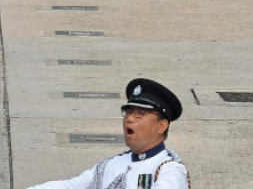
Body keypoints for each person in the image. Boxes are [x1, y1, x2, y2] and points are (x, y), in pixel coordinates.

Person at [26, 78, 188, 189]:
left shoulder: (169, 170)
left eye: (140, 113)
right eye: (128, 112)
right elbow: (70, 186)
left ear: (161, 126)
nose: (130, 118)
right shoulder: (110, 165)